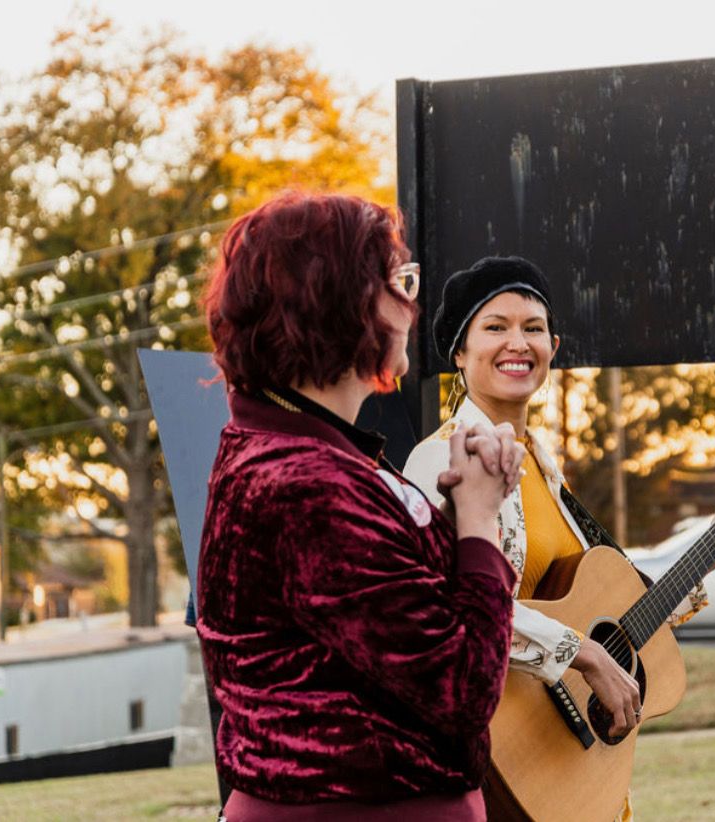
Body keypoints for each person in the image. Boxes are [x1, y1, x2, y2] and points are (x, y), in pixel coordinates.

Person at [402, 255, 715, 820]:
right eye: (496, 327)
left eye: (533, 329)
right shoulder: (442, 459)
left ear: (553, 347)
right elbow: (447, 605)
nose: (518, 343)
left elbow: (617, 618)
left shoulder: (543, 467)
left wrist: (713, 552)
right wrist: (584, 654)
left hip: (564, 769)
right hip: (494, 749)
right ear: (459, 351)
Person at [196, 193, 525, 822]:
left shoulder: (301, 453)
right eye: (398, 284)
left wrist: (457, 508)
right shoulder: (306, 485)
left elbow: (375, 629)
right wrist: (480, 519)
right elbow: (463, 687)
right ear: (340, 306)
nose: (411, 305)